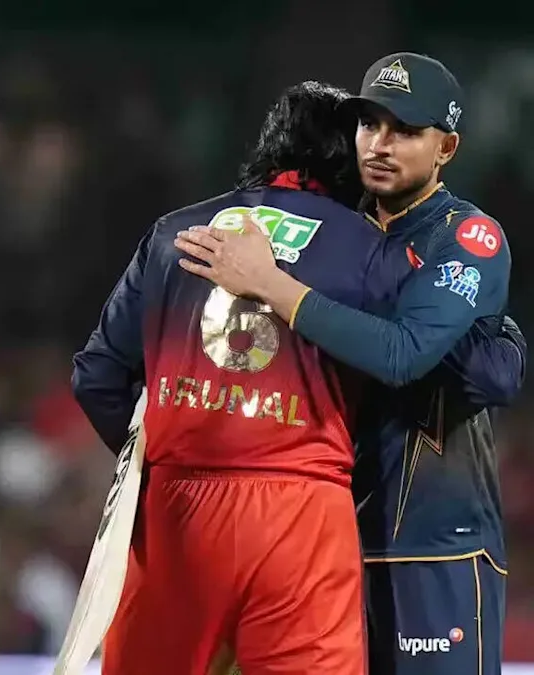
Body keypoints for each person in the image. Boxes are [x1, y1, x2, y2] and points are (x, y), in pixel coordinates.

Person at [72, 81, 520, 675]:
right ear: (345, 154)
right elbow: (474, 371)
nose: (378, 146)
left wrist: (163, 465)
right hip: (303, 506)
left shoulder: (173, 233)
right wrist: (501, 336)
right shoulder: (370, 249)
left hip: (176, 508)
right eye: (367, 128)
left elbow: (97, 375)